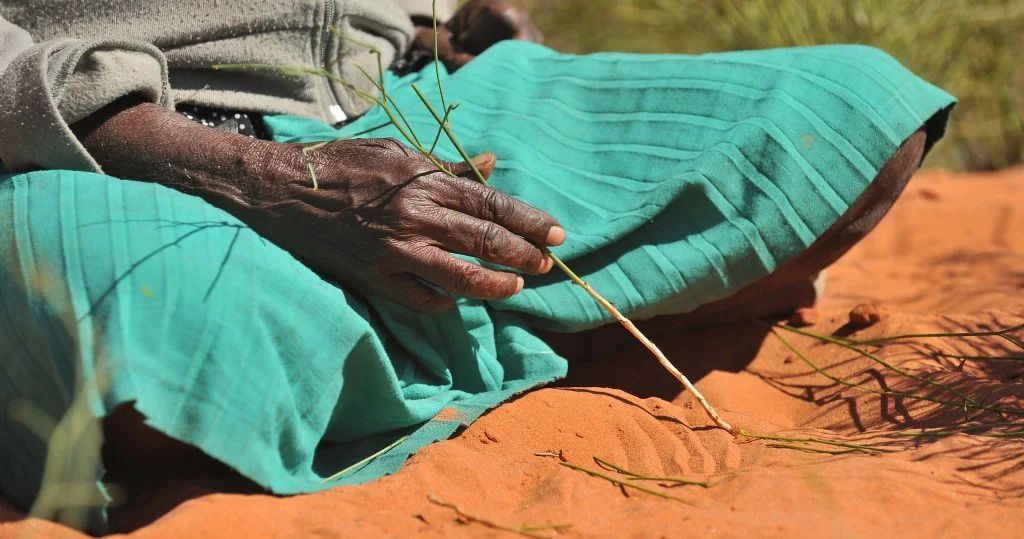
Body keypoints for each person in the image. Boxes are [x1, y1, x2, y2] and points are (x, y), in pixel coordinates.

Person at [0, 0, 953, 533]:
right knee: (129, 312)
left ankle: (379, 345)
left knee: (860, 110)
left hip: (413, 111)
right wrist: (268, 179)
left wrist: (451, 16)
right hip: (124, 150)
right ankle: (518, 323)